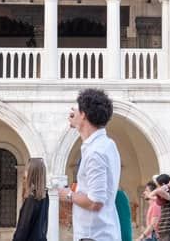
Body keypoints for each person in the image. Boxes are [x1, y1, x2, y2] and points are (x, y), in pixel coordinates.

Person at [59, 88, 121, 241]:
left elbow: (95, 202)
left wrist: (67, 194)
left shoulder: (95, 152)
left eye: (77, 109)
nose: (73, 112)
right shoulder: (107, 144)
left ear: (84, 115)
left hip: (93, 236)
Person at [12, 158, 49, 241]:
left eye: (27, 170)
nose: (25, 173)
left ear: (32, 173)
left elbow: (23, 228)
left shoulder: (32, 198)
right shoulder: (45, 195)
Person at [149, 174, 170, 241]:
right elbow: (150, 195)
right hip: (164, 234)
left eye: (158, 185)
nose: (157, 187)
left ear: (163, 185)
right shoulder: (164, 199)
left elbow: (158, 191)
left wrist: (167, 186)